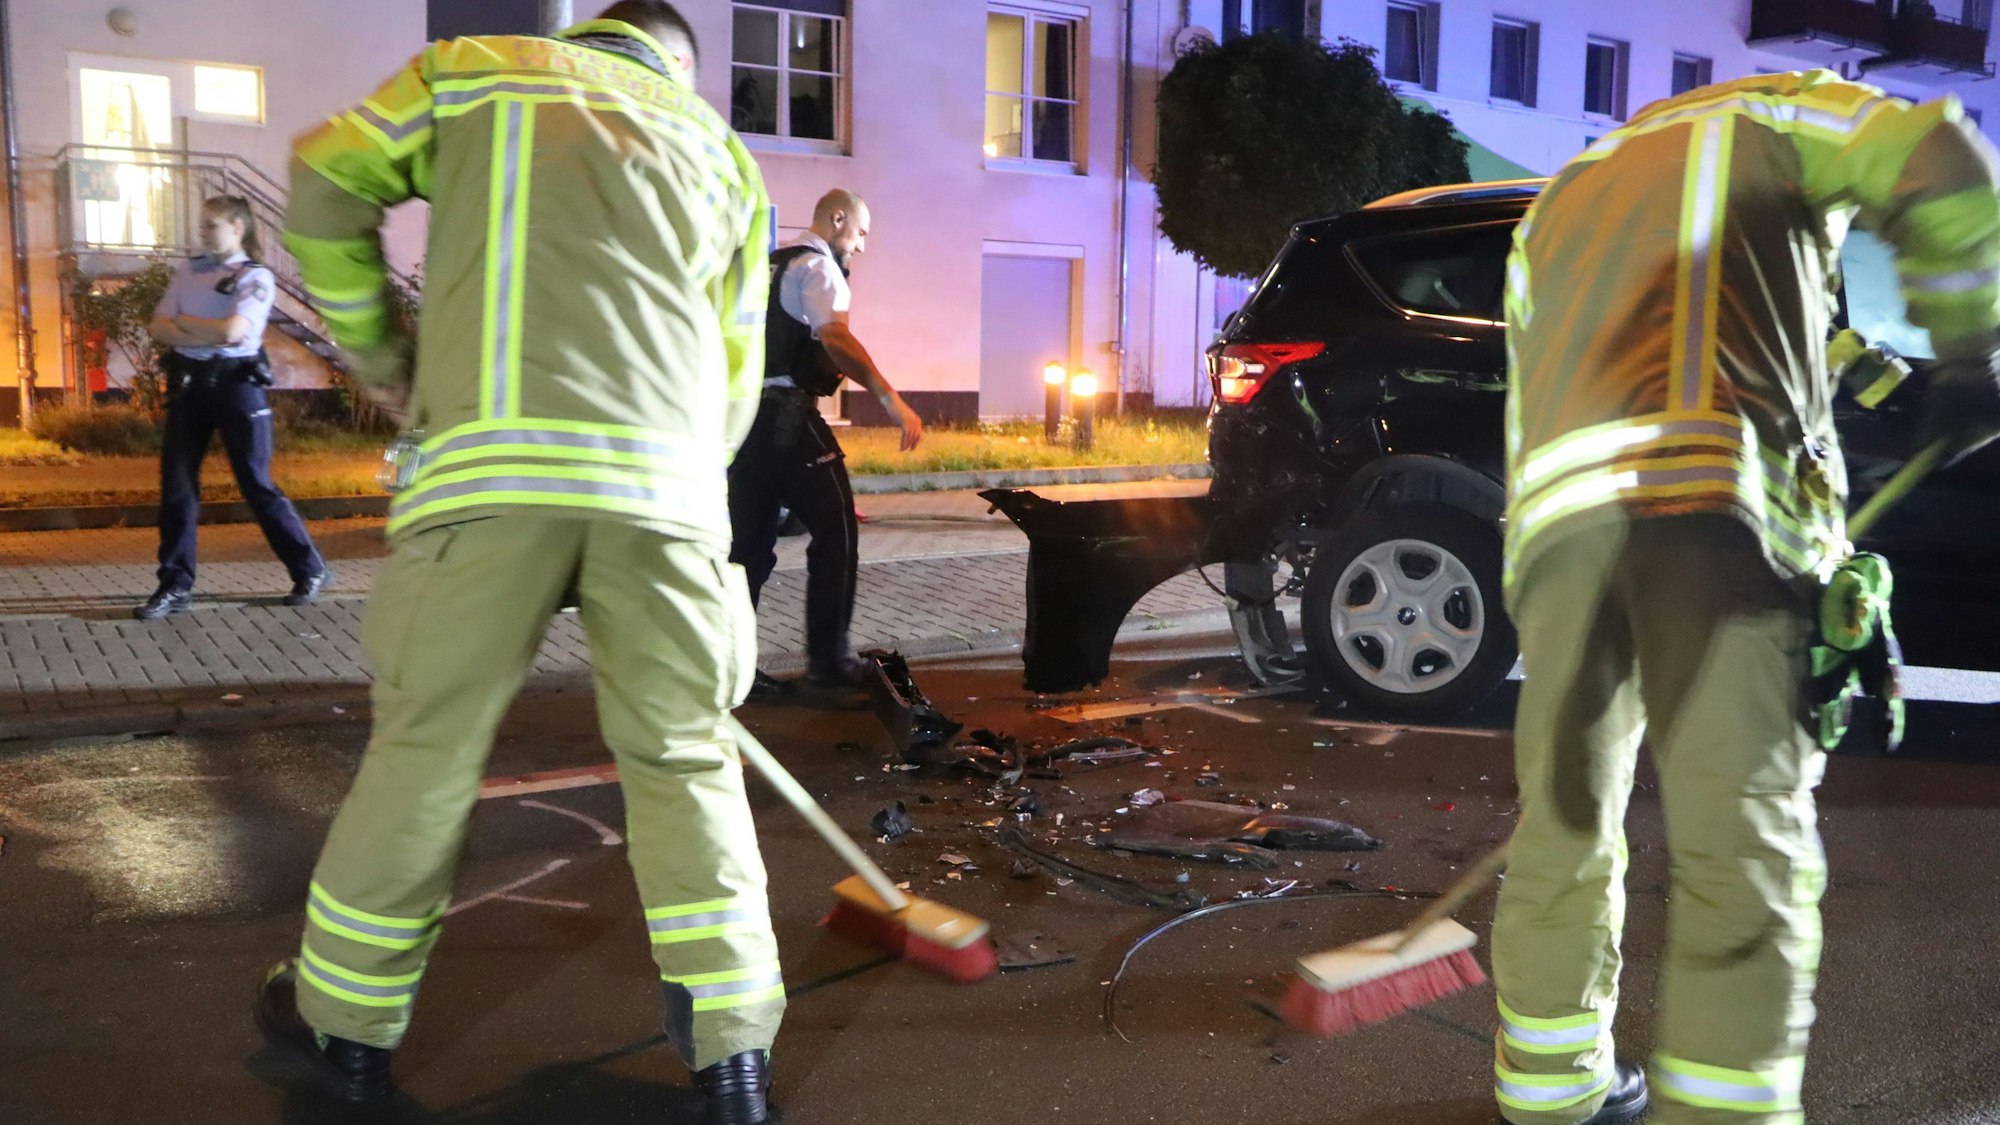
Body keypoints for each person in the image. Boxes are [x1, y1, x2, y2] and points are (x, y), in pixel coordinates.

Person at [253, 5, 784, 1121]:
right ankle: (730, 1053)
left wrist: (380, 352)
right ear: (674, 65)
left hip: (489, 483)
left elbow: (320, 181)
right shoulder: (721, 154)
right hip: (668, 503)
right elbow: (736, 375)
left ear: (596, 33)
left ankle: (346, 1032)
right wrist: (684, 491)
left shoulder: (474, 76)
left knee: (428, 754)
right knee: (688, 766)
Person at [1492, 70, 2000, 1125]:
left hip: (1559, 536)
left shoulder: (1563, 198)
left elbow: (1571, 372)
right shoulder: (1782, 112)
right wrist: (1969, 348)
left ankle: (1550, 1089)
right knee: (1738, 834)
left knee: (1564, 821)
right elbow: (1933, 158)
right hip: (1711, 515)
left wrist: (1881, 383)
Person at [728, 188, 923, 696]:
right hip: (788, 418)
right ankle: (828, 662)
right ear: (837, 220)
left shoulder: (766, 264)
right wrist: (890, 399)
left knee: (747, 549)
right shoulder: (817, 268)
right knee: (837, 531)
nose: (859, 247)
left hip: (742, 422)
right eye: (859, 233)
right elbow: (835, 339)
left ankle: (734, 670)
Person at [136, 194, 330, 620]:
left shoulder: (254, 277)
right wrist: (202, 332)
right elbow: (157, 325)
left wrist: (185, 325)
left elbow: (234, 331)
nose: (202, 233)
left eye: (211, 225)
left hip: (236, 384)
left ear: (237, 229)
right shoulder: (189, 270)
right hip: (190, 386)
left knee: (256, 483)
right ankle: (175, 585)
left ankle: (308, 568)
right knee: (177, 486)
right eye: (202, 225)